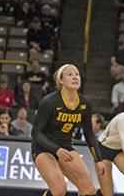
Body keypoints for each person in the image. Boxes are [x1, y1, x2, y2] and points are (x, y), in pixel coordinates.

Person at [32, 64, 104, 196]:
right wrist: (56, 150)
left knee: (89, 189)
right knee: (59, 190)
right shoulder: (49, 102)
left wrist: (98, 160)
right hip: (44, 148)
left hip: (66, 147)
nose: (75, 77)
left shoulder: (84, 103)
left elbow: (89, 134)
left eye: (77, 74)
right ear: (60, 80)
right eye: (70, 74)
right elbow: (36, 133)